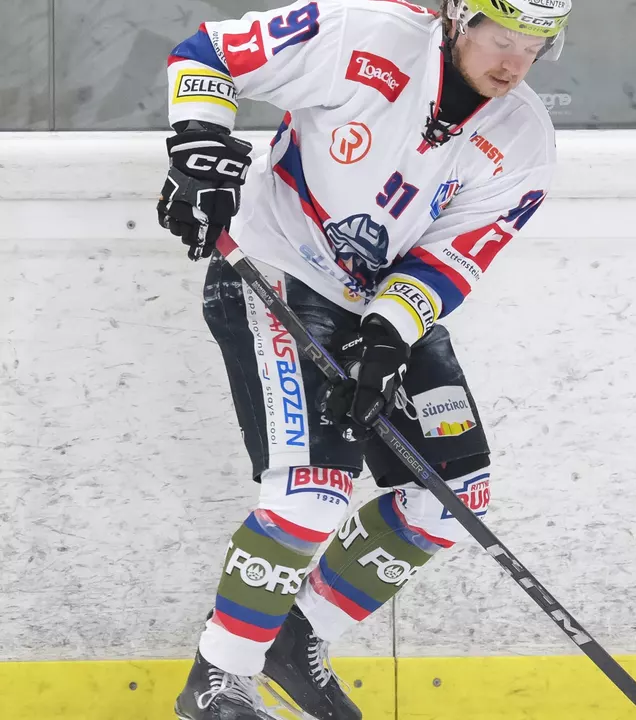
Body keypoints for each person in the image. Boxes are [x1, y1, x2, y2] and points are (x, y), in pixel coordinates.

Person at [158, 0, 572, 717]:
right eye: (500, 39)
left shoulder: (524, 137)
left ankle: (297, 637)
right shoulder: (366, 32)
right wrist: (200, 148)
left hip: (381, 309)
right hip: (277, 268)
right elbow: (208, 51)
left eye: (532, 47)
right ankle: (220, 679)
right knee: (312, 494)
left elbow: (453, 258)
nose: (512, 63)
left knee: (452, 498)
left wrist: (385, 340)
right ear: (456, 18)